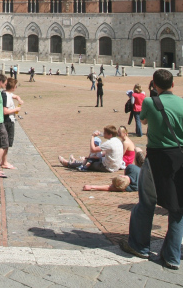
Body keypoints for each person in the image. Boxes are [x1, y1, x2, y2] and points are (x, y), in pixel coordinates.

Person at [122, 69, 183, 269]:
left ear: (154, 85)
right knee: (177, 208)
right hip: (178, 158)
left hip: (156, 157)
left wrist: (153, 96)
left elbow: (145, 120)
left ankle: (139, 246)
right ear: (173, 85)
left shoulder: (150, 102)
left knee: (146, 203)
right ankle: (172, 257)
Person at [58, 125, 123, 172]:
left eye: (105, 133)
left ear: (110, 135)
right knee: (89, 159)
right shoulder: (118, 141)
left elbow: (93, 150)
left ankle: (69, 163)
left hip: (108, 167)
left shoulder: (109, 143)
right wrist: (100, 134)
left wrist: (92, 137)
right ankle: (74, 161)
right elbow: (109, 151)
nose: (104, 134)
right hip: (116, 165)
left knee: (88, 163)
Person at [0, 77, 22, 170]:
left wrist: (18, 98)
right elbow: (5, 111)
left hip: (8, 120)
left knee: (6, 143)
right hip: (8, 121)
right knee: (6, 143)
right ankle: (4, 162)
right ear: (13, 87)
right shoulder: (6, 96)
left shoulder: (5, 93)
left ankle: (4, 160)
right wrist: (16, 109)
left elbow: (12, 95)